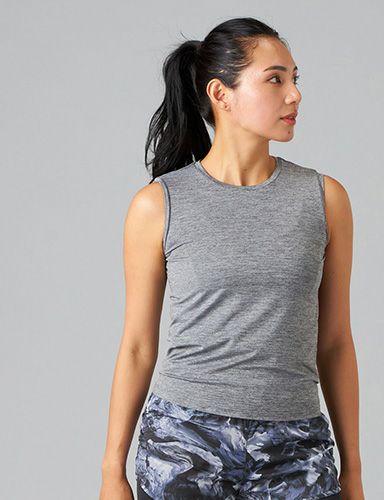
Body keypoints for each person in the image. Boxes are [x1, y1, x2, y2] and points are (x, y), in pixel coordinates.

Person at [99, 16, 364, 500]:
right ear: (221, 94)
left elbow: (335, 343)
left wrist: (353, 472)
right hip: (184, 443)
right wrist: (111, 472)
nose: (295, 95)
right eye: (275, 79)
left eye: (295, 79)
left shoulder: (325, 199)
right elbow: (137, 345)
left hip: (296, 447)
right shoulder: (158, 205)